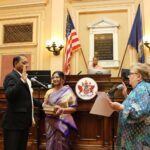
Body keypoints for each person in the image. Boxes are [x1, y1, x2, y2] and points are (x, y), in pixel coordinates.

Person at [2, 55, 43, 150]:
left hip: (23, 122)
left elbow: (28, 98)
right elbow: (9, 95)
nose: (27, 65)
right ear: (16, 64)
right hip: (13, 123)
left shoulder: (25, 78)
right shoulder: (11, 76)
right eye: (24, 63)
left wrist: (43, 104)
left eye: (27, 63)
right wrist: (21, 81)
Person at [107, 63, 150, 150]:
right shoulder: (139, 88)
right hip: (133, 138)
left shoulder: (142, 88)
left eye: (131, 74)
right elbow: (136, 104)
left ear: (138, 76)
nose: (128, 76)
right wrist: (126, 96)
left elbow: (142, 111)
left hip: (138, 140)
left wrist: (122, 107)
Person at [43, 71, 77, 150]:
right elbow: (45, 105)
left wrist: (62, 110)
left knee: (62, 142)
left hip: (63, 120)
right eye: (53, 77)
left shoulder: (68, 92)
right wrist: (49, 109)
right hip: (50, 121)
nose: (55, 79)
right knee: (50, 141)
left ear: (62, 79)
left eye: (57, 77)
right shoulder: (49, 92)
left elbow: (74, 108)